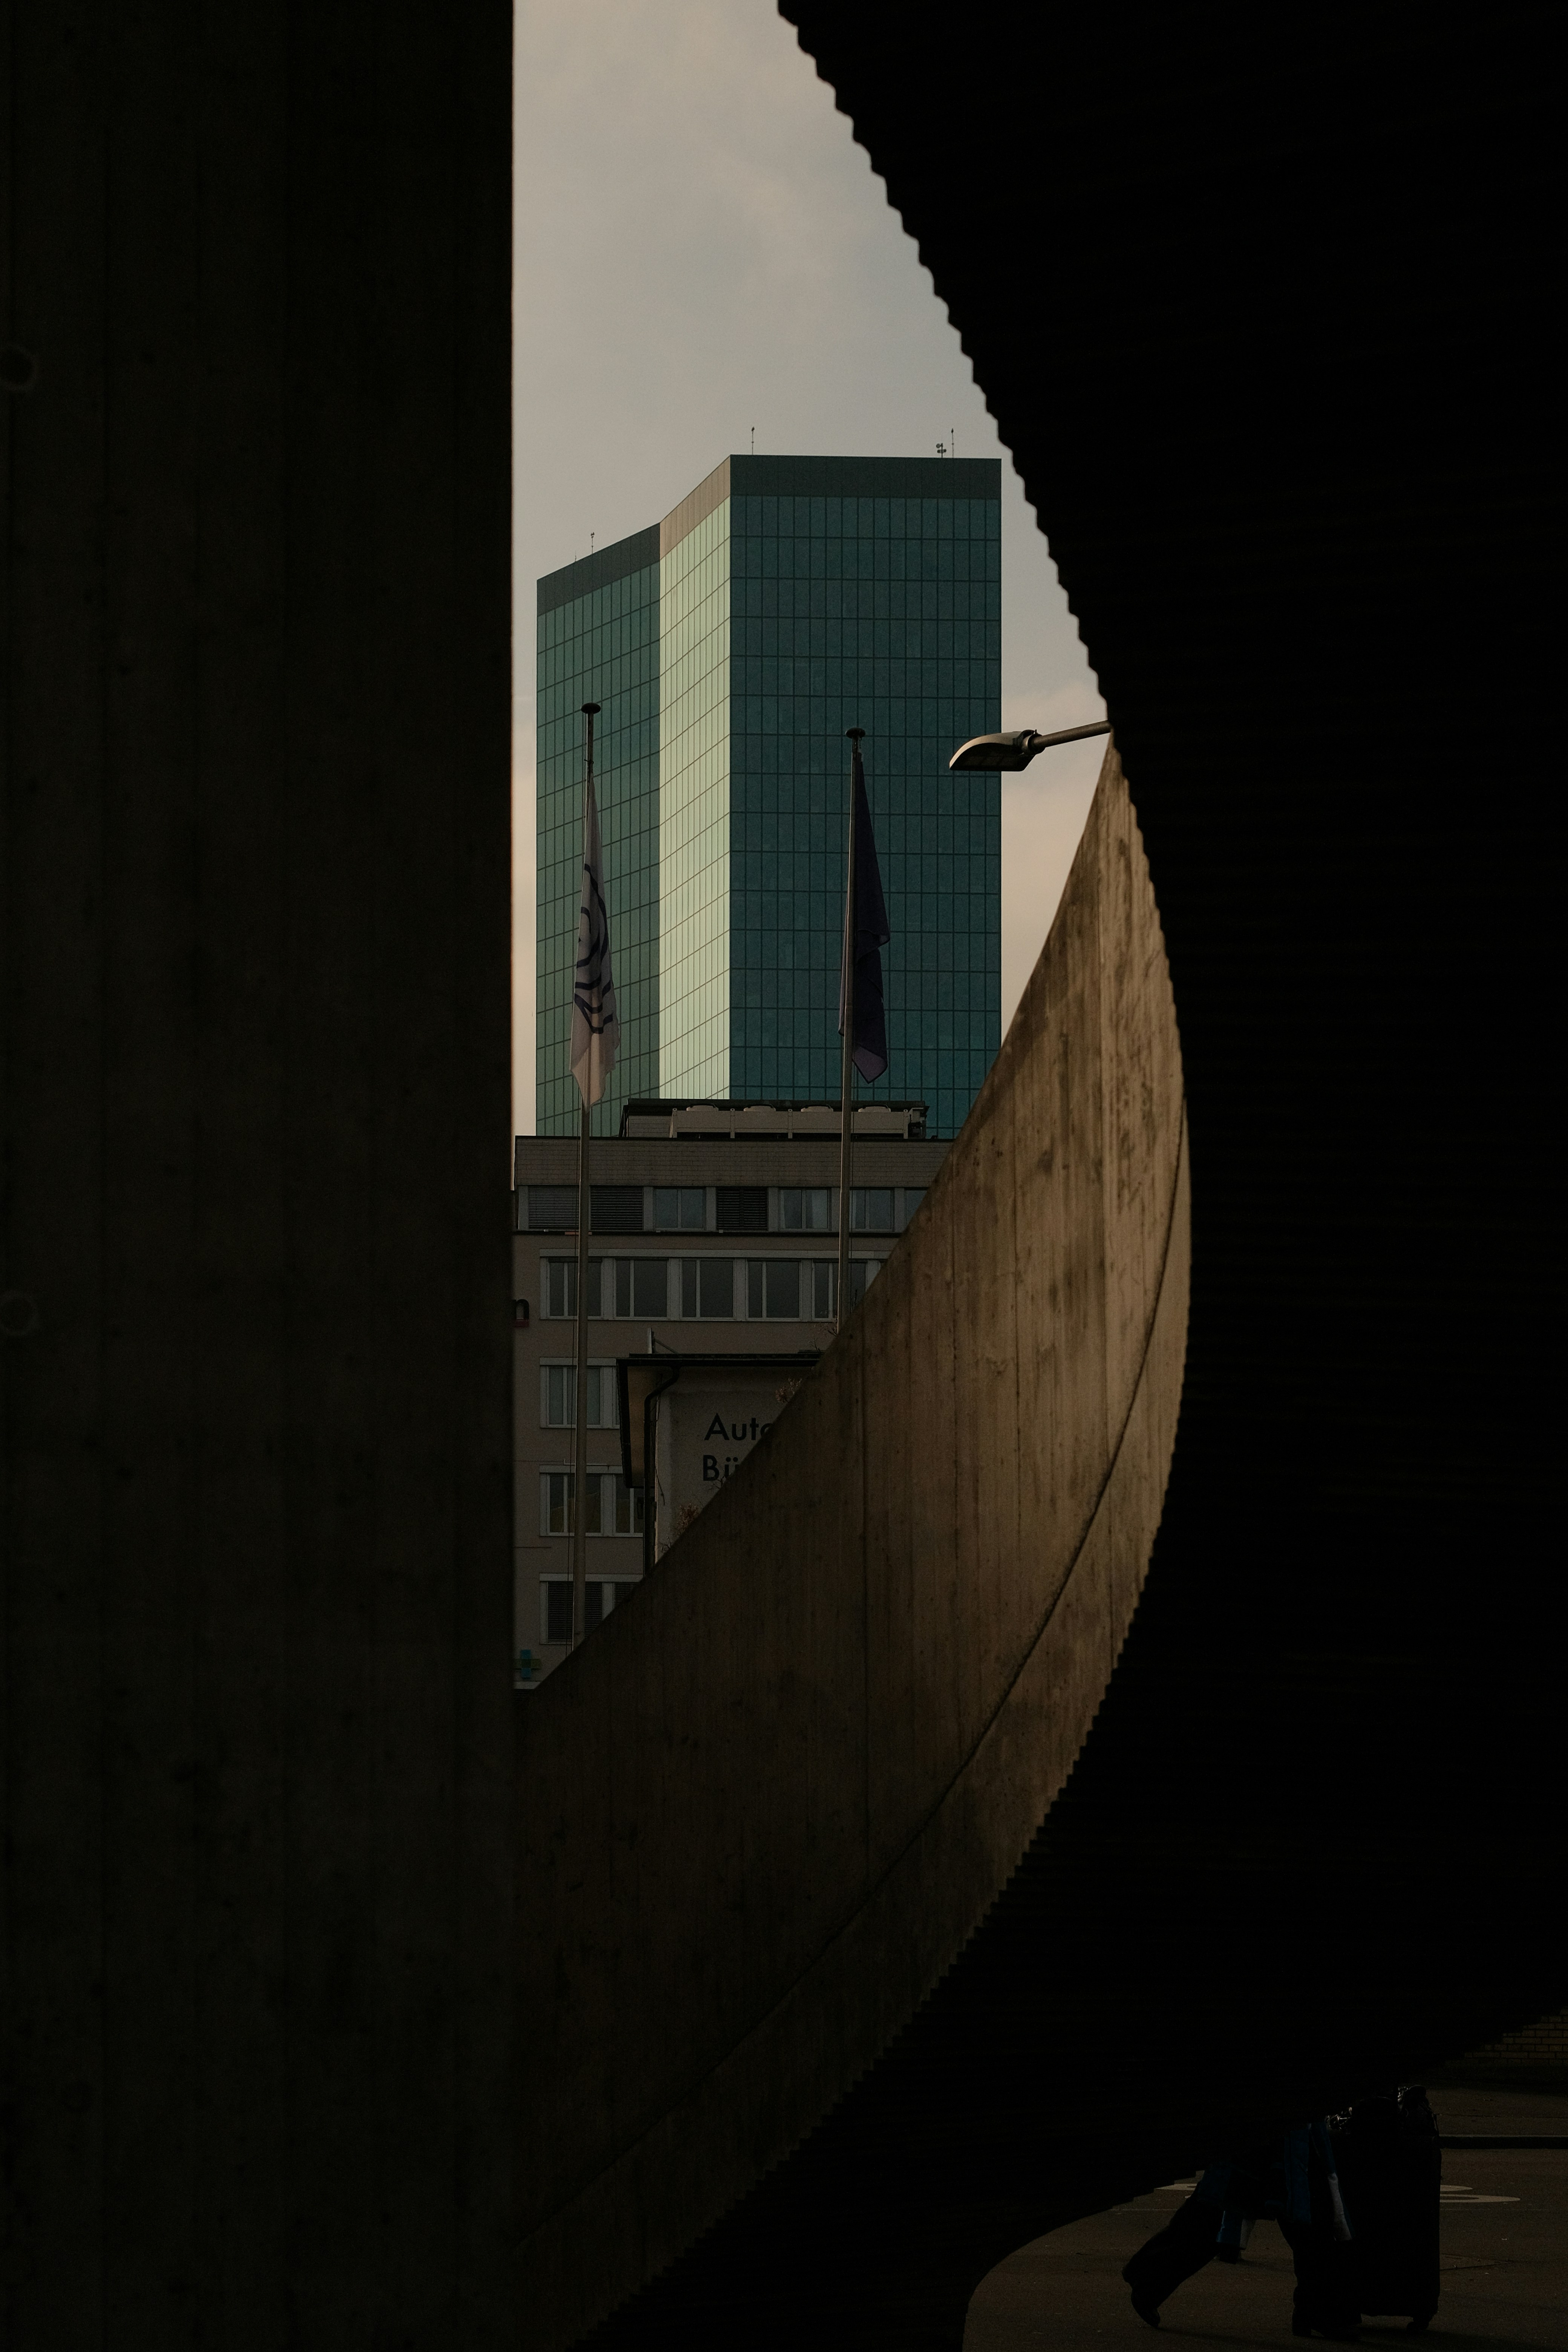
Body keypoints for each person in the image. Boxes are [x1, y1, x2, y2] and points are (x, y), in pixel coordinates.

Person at [1122, 2121, 1357, 2337]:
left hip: (1285, 2125)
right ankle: (1149, 2282)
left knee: (1308, 2213)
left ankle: (1318, 2310)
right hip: (1272, 2124)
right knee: (1218, 2212)